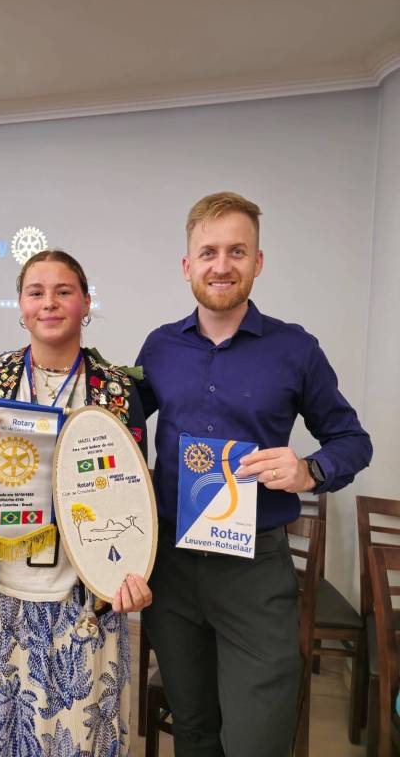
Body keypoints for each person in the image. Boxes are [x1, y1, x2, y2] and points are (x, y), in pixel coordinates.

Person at [135, 191, 372, 757]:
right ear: (187, 265)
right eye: (209, 252)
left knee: (257, 740)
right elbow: (120, 431)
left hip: (255, 571)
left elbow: (353, 441)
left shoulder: (296, 349)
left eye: (237, 251)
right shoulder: (160, 347)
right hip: (171, 565)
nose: (222, 265)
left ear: (257, 261)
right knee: (193, 729)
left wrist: (309, 469)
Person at [0, 250, 152, 757]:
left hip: (81, 603)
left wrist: (132, 574)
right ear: (21, 306)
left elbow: (135, 500)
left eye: (64, 291)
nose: (49, 303)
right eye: (36, 292)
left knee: (74, 741)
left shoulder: (118, 391)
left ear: (86, 302)